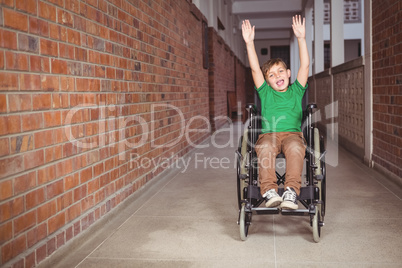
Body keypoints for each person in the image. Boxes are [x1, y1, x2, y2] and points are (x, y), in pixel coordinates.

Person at [241, 15, 309, 210]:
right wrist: (249, 43)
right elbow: (255, 69)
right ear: (267, 81)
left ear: (288, 73)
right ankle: (269, 190)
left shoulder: (297, 90)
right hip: (268, 135)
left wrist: (301, 39)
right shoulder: (266, 93)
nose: (277, 76)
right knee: (264, 148)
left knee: (296, 148)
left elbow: (304, 66)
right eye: (271, 75)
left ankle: (290, 191)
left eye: (280, 71)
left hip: (293, 135)